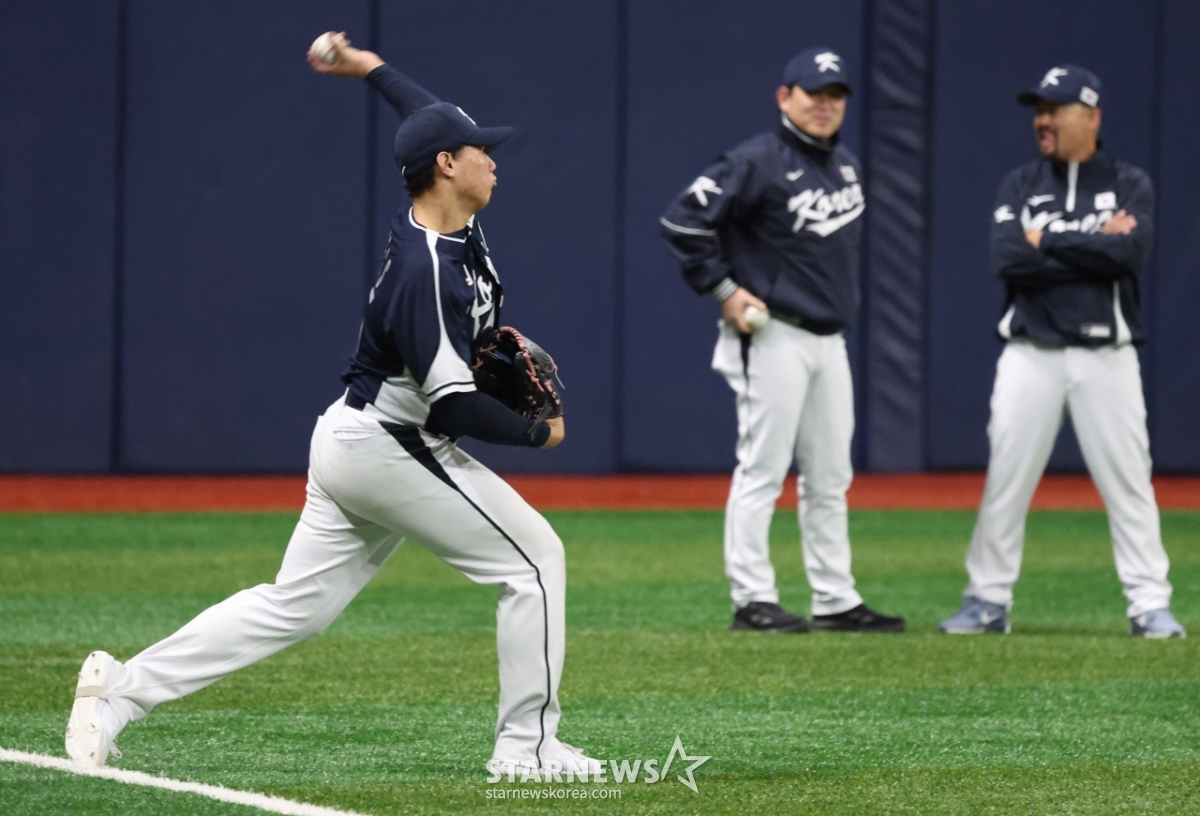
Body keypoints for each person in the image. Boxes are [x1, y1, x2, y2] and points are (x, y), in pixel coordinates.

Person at [65, 32, 600, 774]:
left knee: (295, 607)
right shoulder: (426, 274)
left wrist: (368, 68)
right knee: (535, 561)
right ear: (447, 167)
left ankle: (118, 691)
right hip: (392, 446)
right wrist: (540, 434)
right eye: (479, 149)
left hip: (354, 439)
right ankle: (525, 750)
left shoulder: (441, 214)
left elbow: (424, 113)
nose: (492, 156)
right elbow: (453, 410)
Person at [659, 48, 904, 634]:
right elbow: (681, 220)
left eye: (835, 95)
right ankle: (753, 598)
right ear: (784, 96)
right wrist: (724, 290)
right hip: (773, 336)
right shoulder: (755, 160)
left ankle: (835, 597)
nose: (825, 104)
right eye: (813, 93)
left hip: (828, 339)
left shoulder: (844, 164)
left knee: (830, 476)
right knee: (763, 469)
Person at [938, 64, 1185, 638]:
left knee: (1129, 482)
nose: (1042, 120)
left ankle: (1149, 603)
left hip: (1108, 354)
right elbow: (1008, 259)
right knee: (1006, 479)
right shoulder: (1020, 183)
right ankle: (986, 599)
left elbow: (1128, 255)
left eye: (1055, 108)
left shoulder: (1129, 182)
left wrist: (1045, 238)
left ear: (1091, 116)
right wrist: (1092, 243)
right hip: (1030, 353)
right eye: (1039, 109)